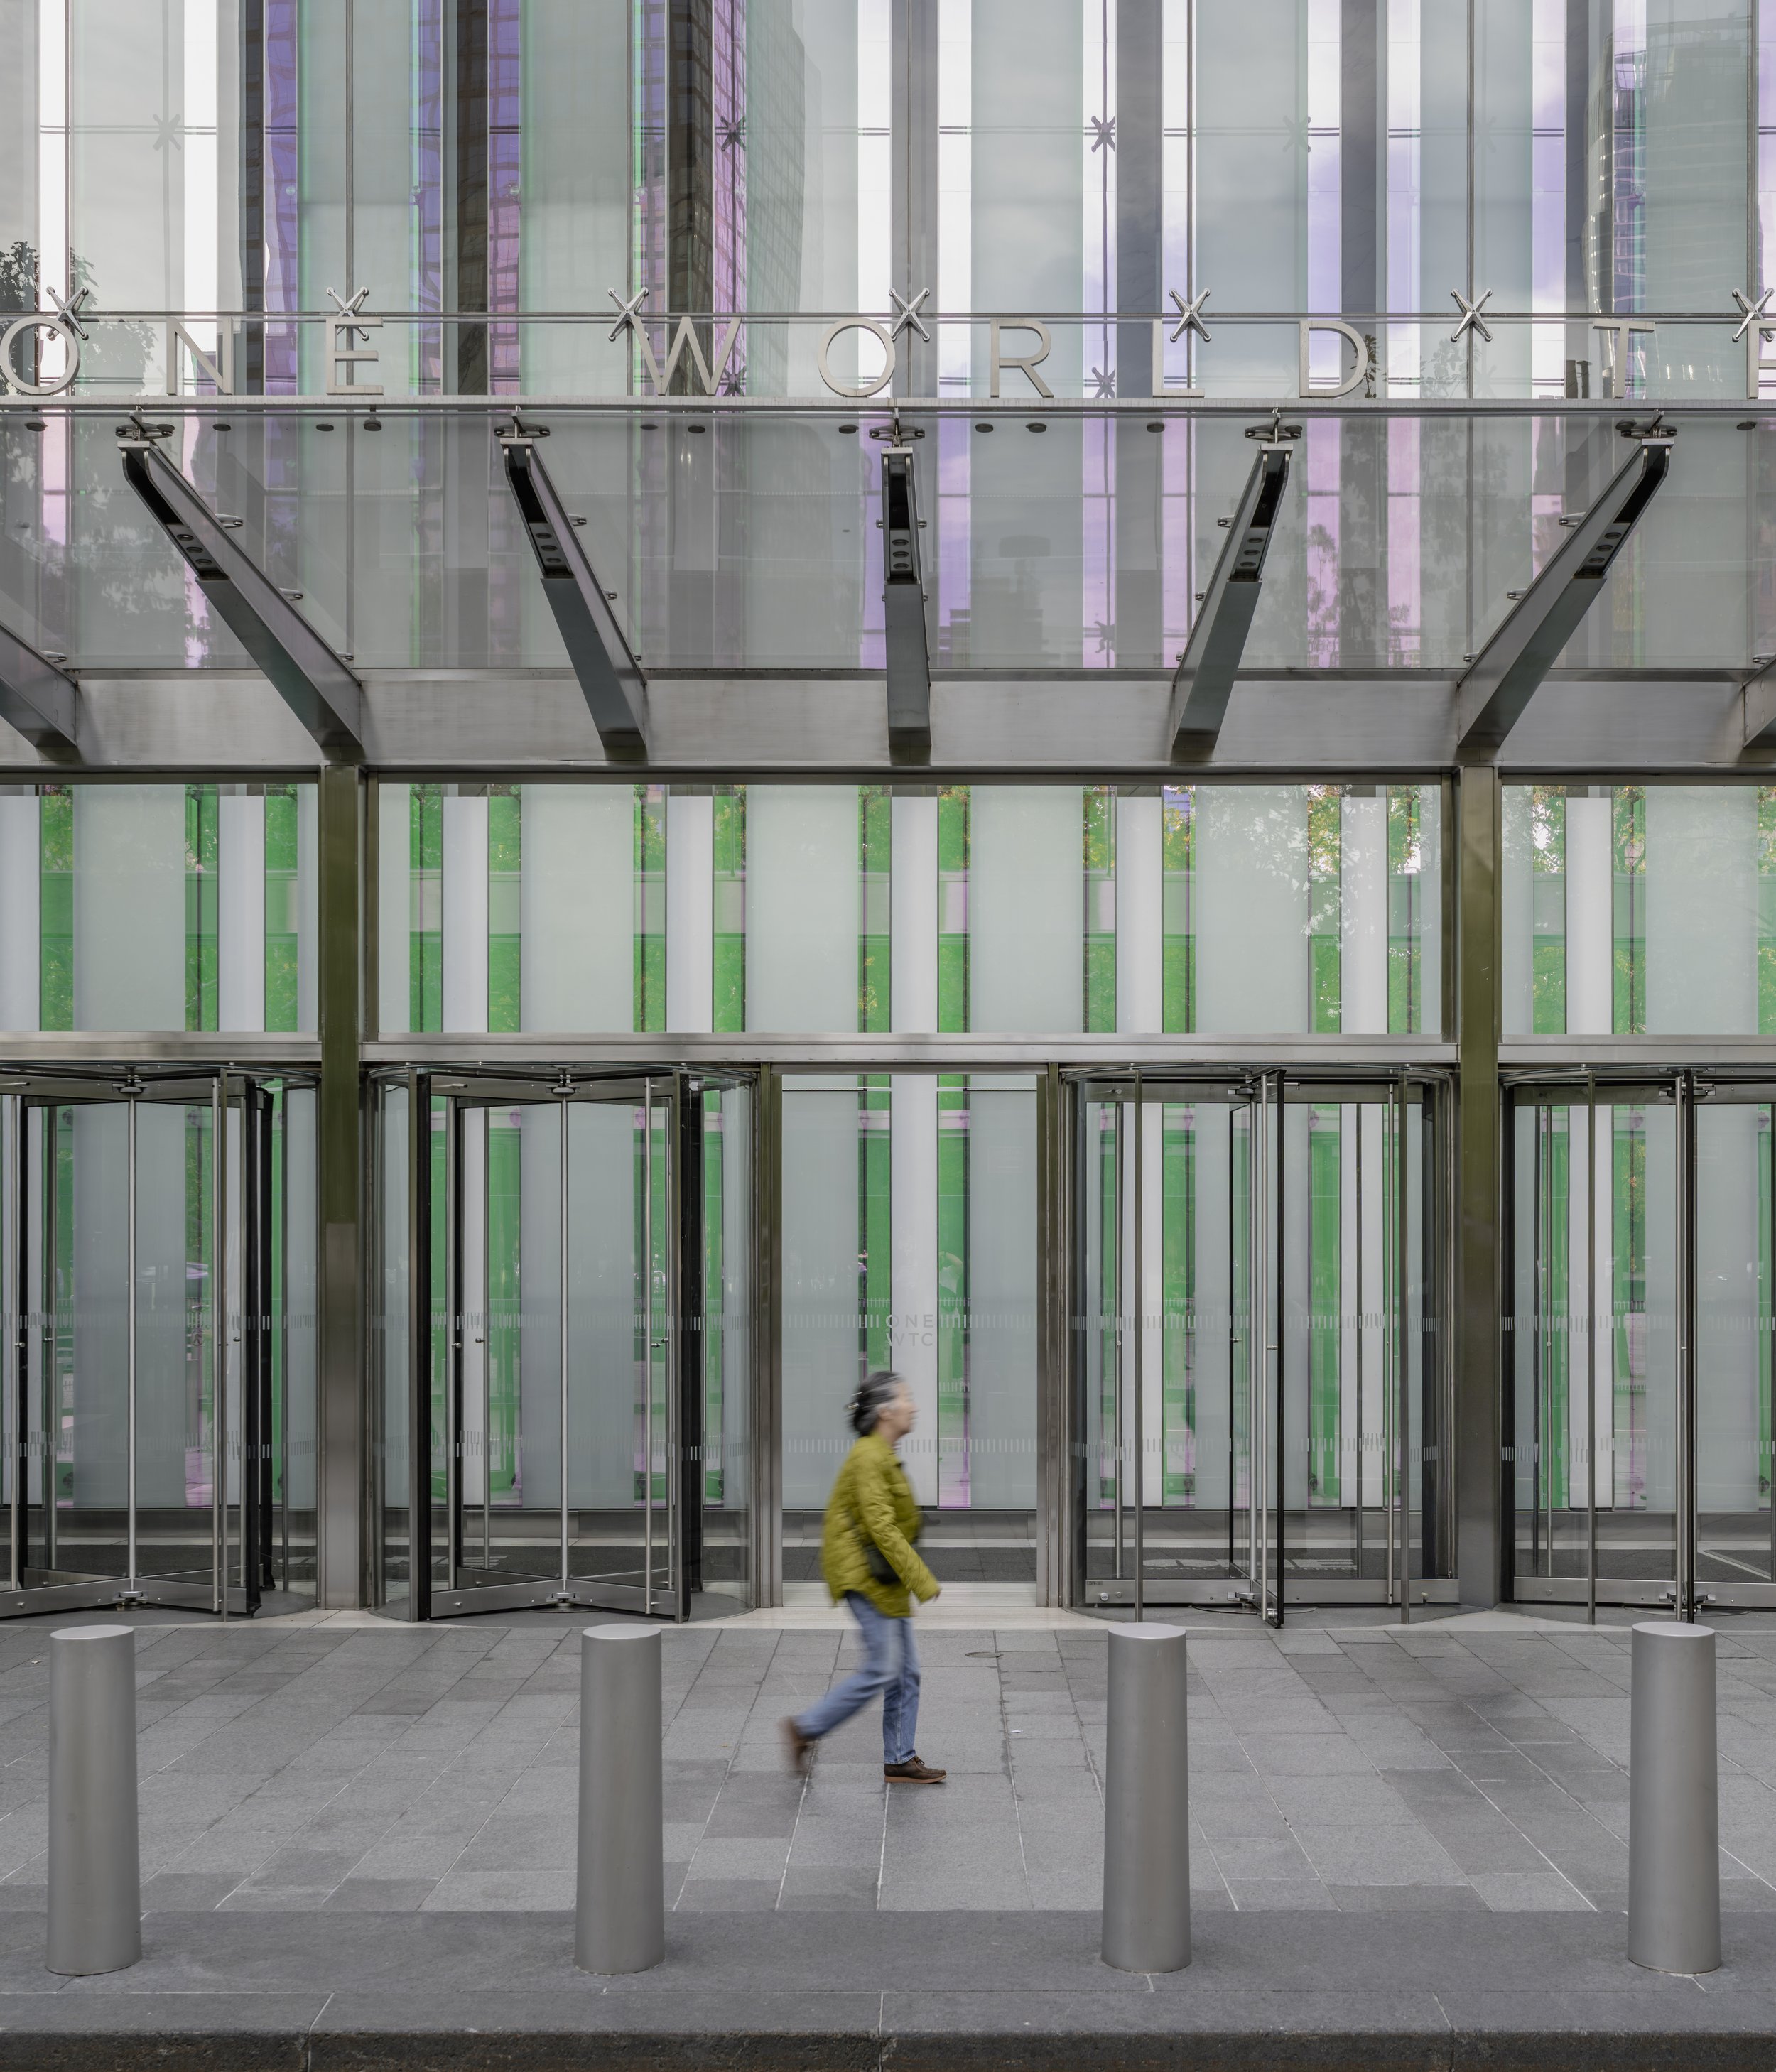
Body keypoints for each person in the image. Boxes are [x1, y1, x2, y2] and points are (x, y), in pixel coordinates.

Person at [783, 1369, 946, 1784]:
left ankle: (900, 1758)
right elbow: (881, 1526)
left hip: (881, 1574)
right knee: (884, 1668)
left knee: (905, 1671)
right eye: (907, 1398)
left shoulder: (880, 1452)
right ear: (886, 1411)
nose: (914, 1406)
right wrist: (922, 1580)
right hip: (863, 1574)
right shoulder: (869, 1457)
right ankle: (805, 1728)